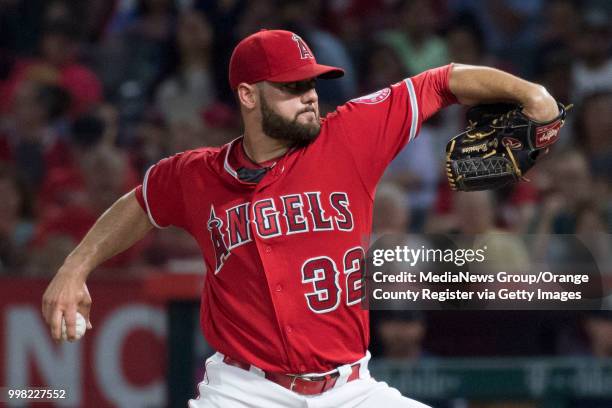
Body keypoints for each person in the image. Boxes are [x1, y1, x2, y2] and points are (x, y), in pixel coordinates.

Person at [41, 29, 560, 407]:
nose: (309, 94)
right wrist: (74, 267)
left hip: (352, 389)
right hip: (244, 393)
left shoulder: (349, 135)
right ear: (248, 96)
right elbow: (140, 203)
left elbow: (442, 81)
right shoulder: (196, 175)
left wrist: (530, 93)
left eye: (311, 82)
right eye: (290, 87)